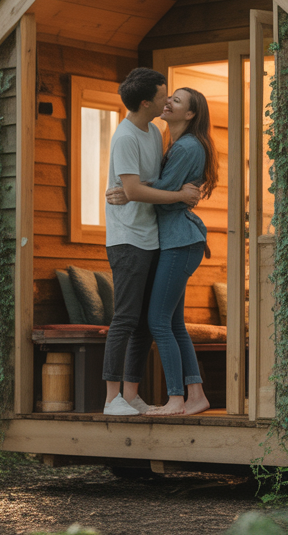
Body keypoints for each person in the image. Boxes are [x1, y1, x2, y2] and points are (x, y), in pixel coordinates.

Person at [108, 86, 216, 416]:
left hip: (178, 242)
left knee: (157, 320)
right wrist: (136, 190)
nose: (168, 102)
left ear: (190, 114)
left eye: (177, 100)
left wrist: (131, 192)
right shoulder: (171, 141)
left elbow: (169, 189)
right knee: (174, 323)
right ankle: (195, 395)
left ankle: (176, 399)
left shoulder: (186, 147)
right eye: (168, 97)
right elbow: (170, 188)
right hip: (173, 241)